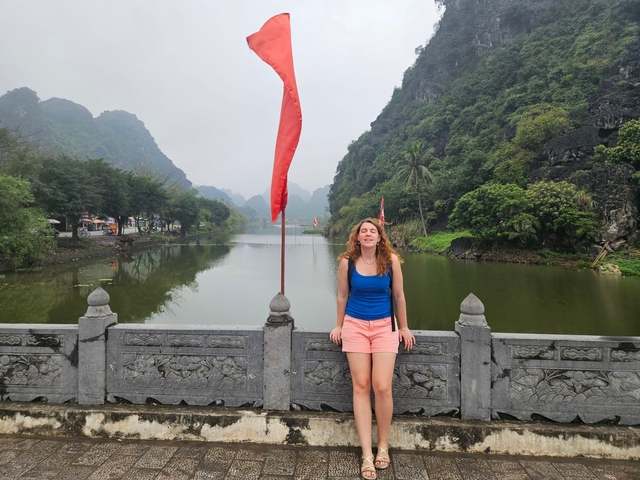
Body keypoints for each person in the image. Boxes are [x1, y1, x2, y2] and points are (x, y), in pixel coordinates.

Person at [330, 218, 415, 480]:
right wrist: (339, 325)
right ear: (357, 237)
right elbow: (342, 295)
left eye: (373, 231)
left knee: (382, 386)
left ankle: (383, 445)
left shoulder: (391, 260)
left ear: (380, 237)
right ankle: (367, 452)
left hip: (384, 327)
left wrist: (404, 327)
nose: (368, 234)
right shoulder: (347, 262)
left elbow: (399, 296)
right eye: (363, 231)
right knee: (361, 386)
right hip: (355, 326)